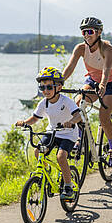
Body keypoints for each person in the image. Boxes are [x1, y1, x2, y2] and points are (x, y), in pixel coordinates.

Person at [62, 16, 112, 167]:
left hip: (111, 84)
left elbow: (107, 69)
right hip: (92, 82)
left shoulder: (107, 48)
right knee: (77, 106)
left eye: (89, 31)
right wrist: (59, 82)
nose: (87, 35)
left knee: (103, 117)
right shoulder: (80, 48)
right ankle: (80, 137)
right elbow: (70, 67)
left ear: (99, 32)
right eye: (83, 32)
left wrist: (103, 84)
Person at [15, 67, 82, 201]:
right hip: (52, 132)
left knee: (61, 157)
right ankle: (46, 173)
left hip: (68, 134)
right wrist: (25, 122)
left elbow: (78, 116)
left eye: (49, 87)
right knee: (37, 151)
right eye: (42, 87)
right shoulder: (43, 103)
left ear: (59, 87)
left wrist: (71, 121)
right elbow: (35, 118)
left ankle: (68, 186)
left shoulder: (65, 101)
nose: (45, 91)